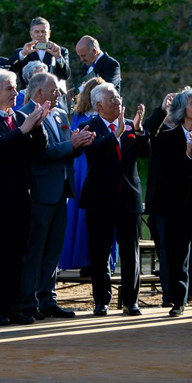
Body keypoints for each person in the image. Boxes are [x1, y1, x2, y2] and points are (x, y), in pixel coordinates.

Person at [0, 68, 49, 326]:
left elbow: (39, 149)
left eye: (16, 88)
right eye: (10, 88)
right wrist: (22, 130)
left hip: (21, 196)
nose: (16, 92)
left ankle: (14, 306)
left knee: (17, 255)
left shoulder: (22, 117)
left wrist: (38, 126)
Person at [20, 72, 94, 320]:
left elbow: (65, 148)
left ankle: (48, 299)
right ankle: (28, 301)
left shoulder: (61, 114)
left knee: (54, 248)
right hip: (40, 191)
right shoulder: (25, 115)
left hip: (62, 190)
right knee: (36, 248)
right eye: (55, 90)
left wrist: (79, 141)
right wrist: (70, 145)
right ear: (39, 92)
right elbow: (38, 153)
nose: (60, 94)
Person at [147, 87, 192, 318]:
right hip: (176, 204)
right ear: (181, 109)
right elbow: (148, 134)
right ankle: (178, 302)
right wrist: (161, 110)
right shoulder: (167, 137)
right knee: (177, 255)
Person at [80, 82, 150, 316]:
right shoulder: (88, 126)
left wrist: (139, 131)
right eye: (112, 98)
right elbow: (93, 151)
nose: (118, 101)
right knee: (100, 253)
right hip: (100, 200)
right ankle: (102, 301)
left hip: (128, 199)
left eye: (119, 96)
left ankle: (132, 301)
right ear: (99, 105)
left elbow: (144, 152)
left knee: (131, 253)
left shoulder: (131, 125)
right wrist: (116, 134)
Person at [59, 76, 111, 272]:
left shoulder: (79, 115)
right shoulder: (87, 118)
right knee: (85, 210)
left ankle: (89, 258)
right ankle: (87, 258)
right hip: (87, 164)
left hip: (82, 163)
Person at [10, 17, 71, 84]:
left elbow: (65, 76)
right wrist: (22, 54)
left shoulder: (60, 51)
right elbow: (10, 70)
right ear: (31, 34)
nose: (40, 35)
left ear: (49, 33)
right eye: (37, 32)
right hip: (28, 92)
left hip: (53, 92)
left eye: (43, 31)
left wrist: (58, 58)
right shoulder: (22, 52)